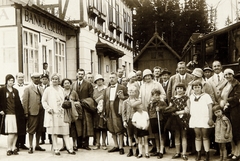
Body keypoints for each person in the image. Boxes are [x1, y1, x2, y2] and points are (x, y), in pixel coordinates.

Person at [41, 74, 75, 155]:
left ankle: (69, 148)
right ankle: (56, 148)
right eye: (53, 79)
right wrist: (48, 108)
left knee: (65, 132)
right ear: (51, 80)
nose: (55, 80)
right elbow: (43, 101)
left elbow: (66, 99)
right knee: (54, 132)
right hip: (53, 113)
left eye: (56, 79)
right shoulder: (48, 90)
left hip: (62, 113)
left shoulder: (61, 89)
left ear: (59, 80)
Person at [0, 74, 26, 156]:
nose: (11, 82)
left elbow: (18, 103)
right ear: (6, 81)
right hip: (8, 114)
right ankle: (9, 148)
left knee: (15, 132)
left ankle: (14, 147)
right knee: (11, 132)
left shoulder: (15, 91)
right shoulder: (2, 90)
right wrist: (0, 110)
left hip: (16, 114)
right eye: (9, 80)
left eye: (12, 80)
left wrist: (22, 113)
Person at [103, 72, 128, 155]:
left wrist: (123, 97)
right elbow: (104, 101)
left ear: (117, 78)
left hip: (117, 109)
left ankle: (121, 147)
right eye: (110, 77)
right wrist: (104, 112)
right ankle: (116, 145)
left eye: (113, 77)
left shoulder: (122, 87)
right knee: (111, 128)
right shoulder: (107, 89)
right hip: (108, 109)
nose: (111, 79)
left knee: (119, 128)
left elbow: (127, 97)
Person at [188, 81, 214, 161]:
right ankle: (198, 153)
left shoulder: (206, 96)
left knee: (205, 136)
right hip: (195, 118)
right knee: (198, 136)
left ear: (201, 88)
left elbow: (210, 108)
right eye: (195, 87)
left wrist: (210, 118)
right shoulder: (191, 96)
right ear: (192, 88)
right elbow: (189, 107)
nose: (197, 89)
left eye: (198, 87)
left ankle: (207, 154)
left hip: (204, 118)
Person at [218, 68, 240, 160]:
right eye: (226, 74)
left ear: (233, 74)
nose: (227, 76)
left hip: (235, 109)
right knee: (229, 129)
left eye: (229, 74)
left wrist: (226, 101)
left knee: (236, 130)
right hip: (226, 109)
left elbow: (237, 97)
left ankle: (238, 152)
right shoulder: (225, 84)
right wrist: (221, 102)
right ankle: (232, 150)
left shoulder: (237, 84)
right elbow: (220, 95)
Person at [22, 73, 45, 154]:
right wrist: (26, 112)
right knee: (31, 130)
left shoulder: (41, 88)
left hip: (41, 112)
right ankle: (31, 146)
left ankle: (37, 145)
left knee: (40, 129)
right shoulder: (28, 88)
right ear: (31, 78)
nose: (37, 79)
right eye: (35, 78)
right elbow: (25, 101)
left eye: (38, 78)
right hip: (32, 112)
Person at [165, 83, 189, 160]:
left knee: (184, 135)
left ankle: (184, 153)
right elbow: (170, 108)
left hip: (183, 118)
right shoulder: (173, 98)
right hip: (175, 119)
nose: (179, 90)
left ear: (184, 90)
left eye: (181, 88)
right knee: (176, 135)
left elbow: (188, 109)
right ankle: (177, 152)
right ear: (175, 90)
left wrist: (179, 112)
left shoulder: (186, 98)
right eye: (178, 88)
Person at [72, 68, 94, 150]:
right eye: (79, 74)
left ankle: (86, 144)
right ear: (77, 74)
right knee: (78, 125)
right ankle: (79, 143)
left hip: (85, 107)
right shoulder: (73, 84)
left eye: (82, 74)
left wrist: (83, 102)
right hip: (76, 107)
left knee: (86, 125)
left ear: (84, 75)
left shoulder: (88, 84)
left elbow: (91, 97)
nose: (80, 75)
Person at [60, 78, 80, 152]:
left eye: (68, 83)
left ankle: (74, 144)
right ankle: (64, 145)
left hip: (72, 112)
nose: (67, 84)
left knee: (73, 129)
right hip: (64, 112)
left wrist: (73, 103)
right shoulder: (61, 92)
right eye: (65, 83)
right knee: (64, 128)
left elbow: (78, 101)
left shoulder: (74, 92)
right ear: (63, 85)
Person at [147, 88, 167, 159]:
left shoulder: (162, 102)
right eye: (155, 95)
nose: (157, 97)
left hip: (160, 119)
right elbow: (148, 111)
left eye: (158, 95)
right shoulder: (150, 103)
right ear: (152, 96)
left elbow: (166, 108)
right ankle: (158, 150)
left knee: (161, 135)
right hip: (153, 119)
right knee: (156, 135)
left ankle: (161, 151)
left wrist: (160, 108)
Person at [122, 86, 141, 157]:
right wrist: (124, 121)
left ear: (135, 93)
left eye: (133, 91)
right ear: (127, 92)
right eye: (130, 91)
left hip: (136, 121)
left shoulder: (138, 101)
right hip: (129, 120)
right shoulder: (125, 102)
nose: (131, 93)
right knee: (129, 136)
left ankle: (138, 150)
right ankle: (130, 150)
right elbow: (123, 112)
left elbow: (140, 110)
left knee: (136, 136)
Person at [92, 74, 108, 150]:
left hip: (104, 110)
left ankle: (104, 143)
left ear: (103, 81)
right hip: (96, 110)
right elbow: (93, 98)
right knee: (97, 127)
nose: (99, 81)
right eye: (98, 80)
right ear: (95, 81)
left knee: (104, 127)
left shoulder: (106, 89)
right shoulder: (94, 89)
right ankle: (97, 143)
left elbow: (107, 98)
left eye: (101, 80)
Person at [14, 72, 28, 151]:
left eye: (22, 77)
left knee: (24, 125)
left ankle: (22, 143)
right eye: (19, 77)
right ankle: (16, 144)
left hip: (24, 108)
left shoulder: (26, 87)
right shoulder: (14, 87)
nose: (21, 79)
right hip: (16, 109)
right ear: (16, 78)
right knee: (17, 125)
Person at [39, 73, 51, 145]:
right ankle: (42, 139)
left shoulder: (50, 87)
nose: (44, 80)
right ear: (41, 80)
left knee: (49, 122)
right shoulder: (39, 87)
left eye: (46, 79)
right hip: (41, 108)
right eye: (43, 79)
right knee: (41, 123)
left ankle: (50, 138)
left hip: (48, 106)